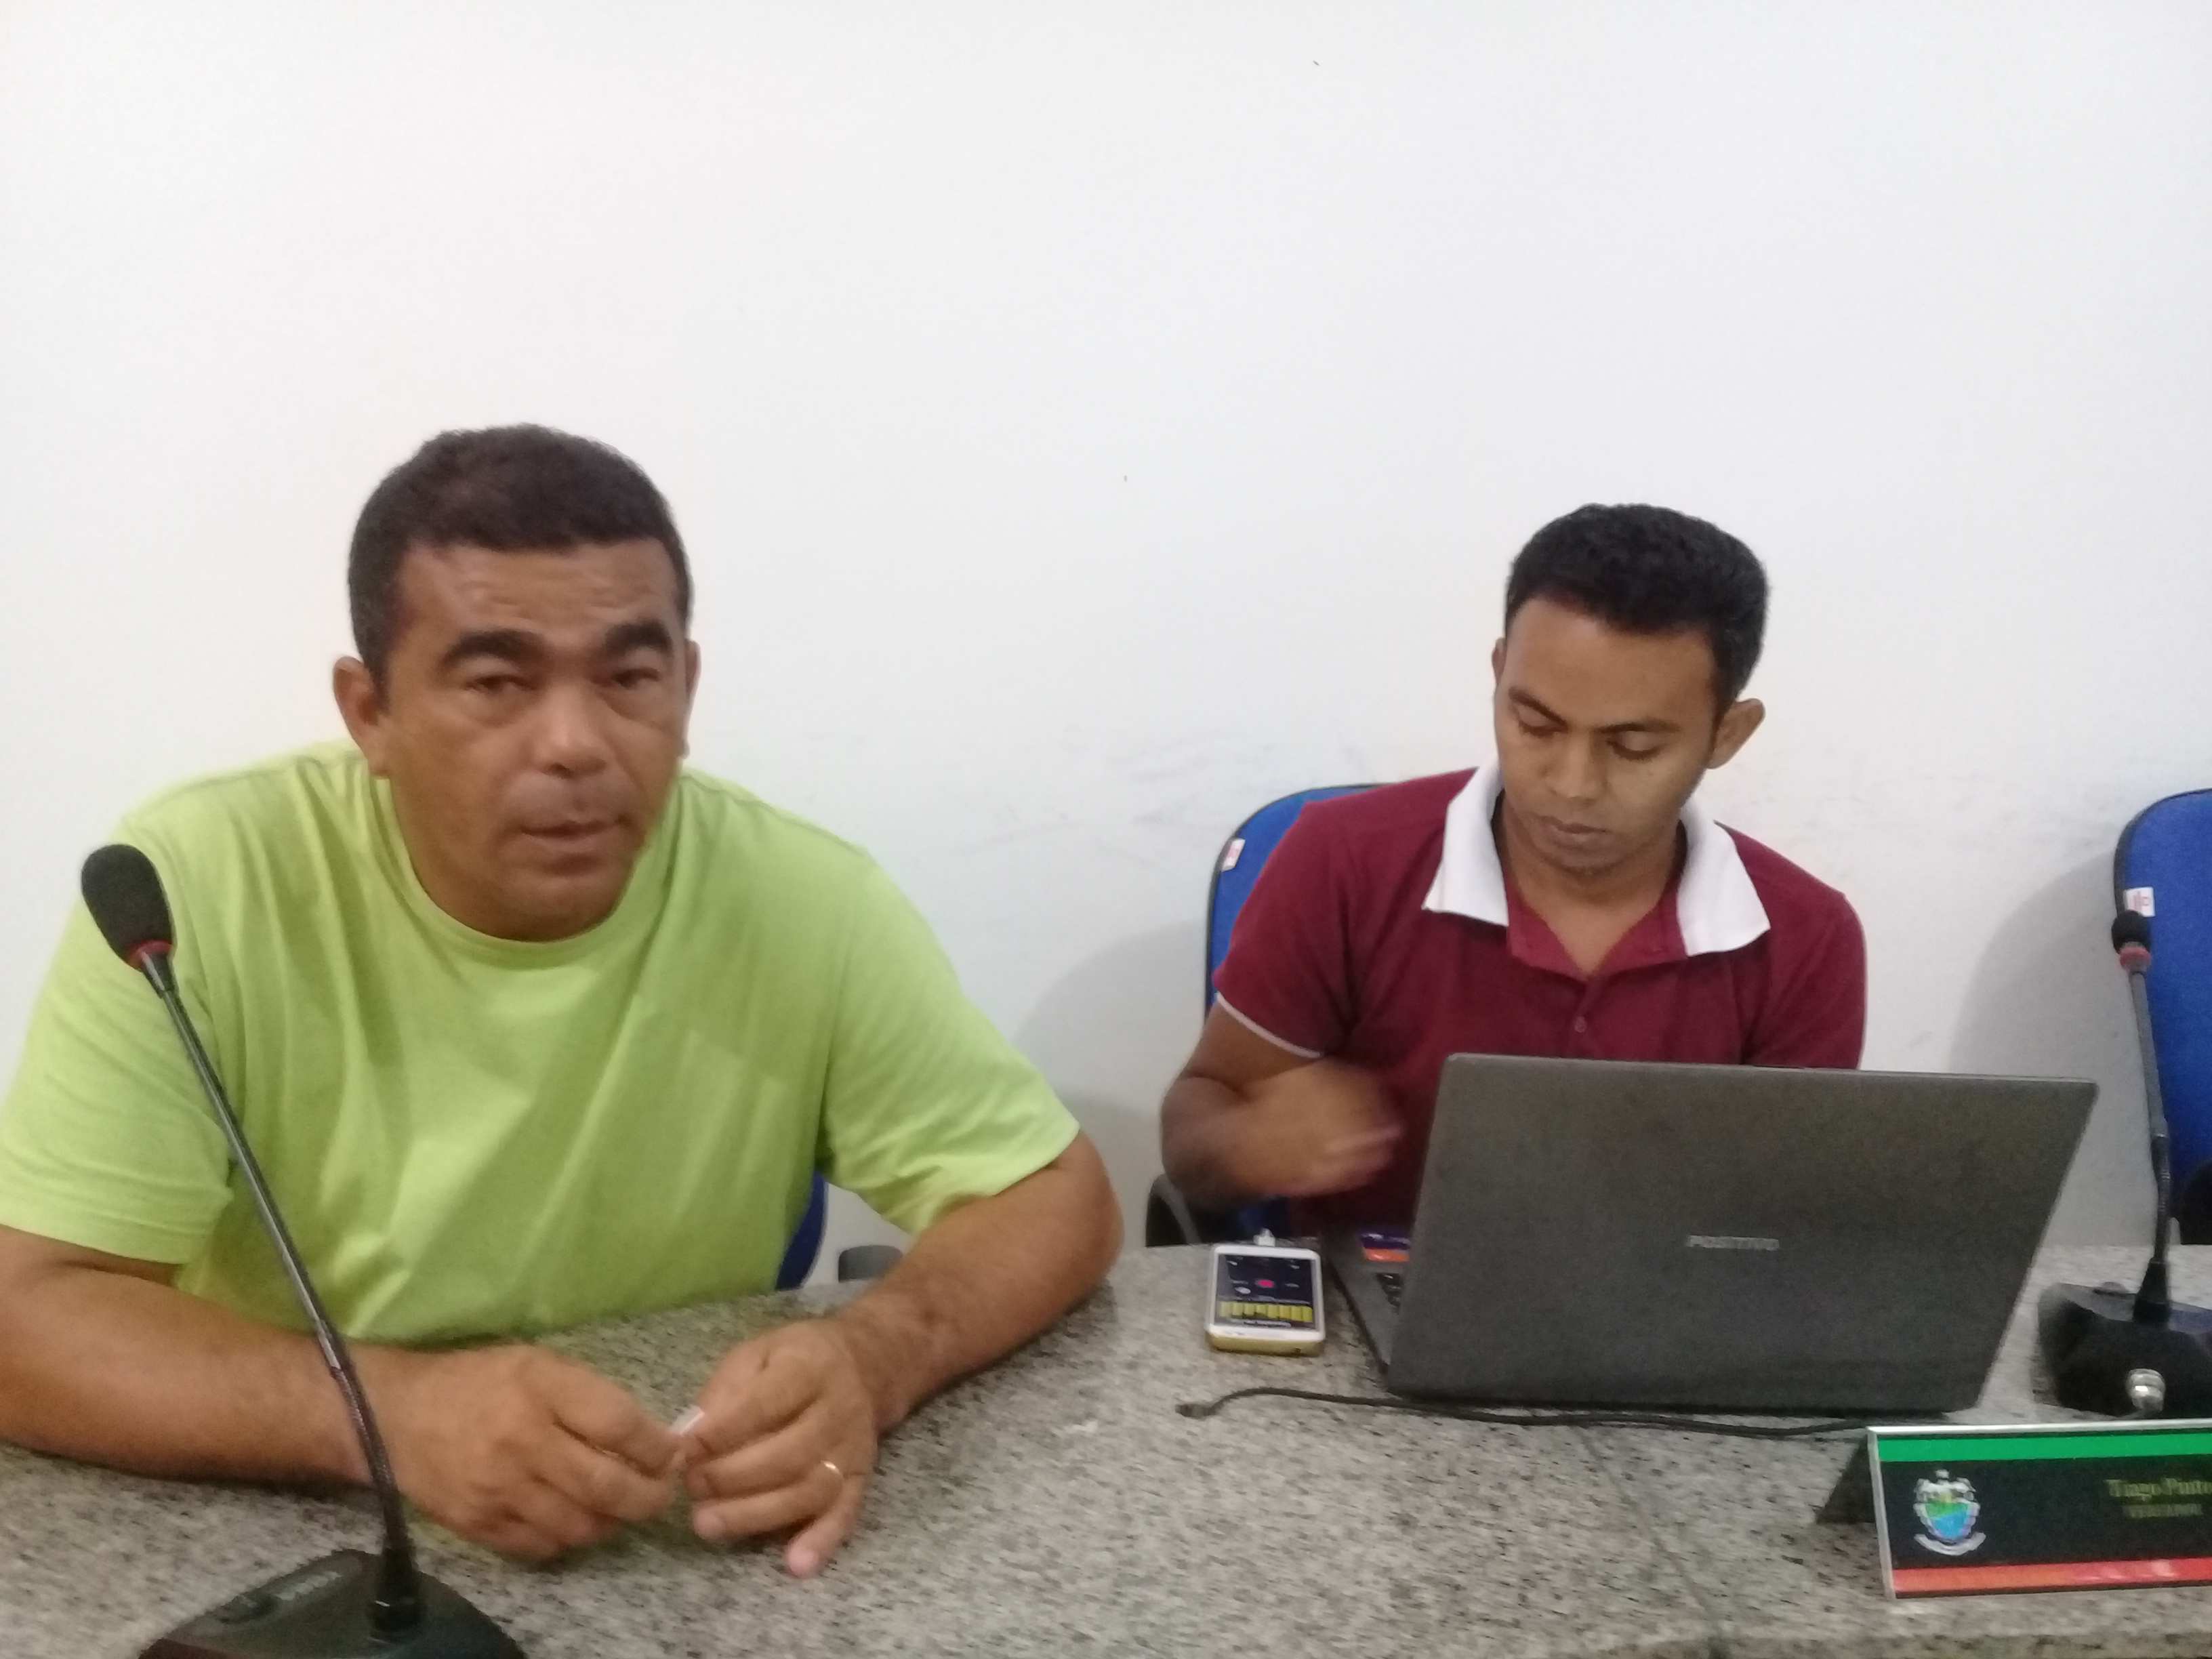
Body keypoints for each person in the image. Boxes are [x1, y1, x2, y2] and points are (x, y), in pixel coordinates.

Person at [0, 425, 1120, 1574]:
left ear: (686, 687)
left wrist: (876, 1356)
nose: (577, 744)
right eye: (498, 683)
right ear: (370, 712)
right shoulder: (190, 890)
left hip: (680, 1532)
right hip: (285, 1539)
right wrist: (384, 1414)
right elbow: (26, 1318)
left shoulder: (804, 899)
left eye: (629, 678)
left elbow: (1053, 1195)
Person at [1160, 503, 1865, 1226]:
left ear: (1728, 733)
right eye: (1535, 724)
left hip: (1663, 1292)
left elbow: (1788, 1219)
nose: (1572, 783)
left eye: (1633, 747)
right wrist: (1246, 1144)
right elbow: (1197, 1121)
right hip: (1381, 1286)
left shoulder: (1806, 936)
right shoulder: (1343, 859)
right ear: (1499, 673)